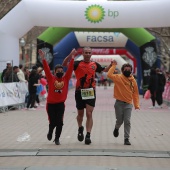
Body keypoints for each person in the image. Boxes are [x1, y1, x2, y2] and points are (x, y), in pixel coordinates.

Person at [62, 47, 112, 145]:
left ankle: (88, 135)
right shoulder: (77, 63)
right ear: (83, 53)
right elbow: (64, 64)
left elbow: (104, 70)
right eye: (86, 52)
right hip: (79, 91)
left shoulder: (94, 64)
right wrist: (70, 55)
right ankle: (80, 128)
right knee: (80, 114)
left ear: (91, 54)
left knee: (89, 113)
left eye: (89, 52)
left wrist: (111, 65)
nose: (88, 54)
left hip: (90, 91)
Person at [39, 48, 76, 145]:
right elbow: (46, 69)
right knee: (53, 122)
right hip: (50, 105)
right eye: (58, 71)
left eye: (61, 71)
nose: (60, 72)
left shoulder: (66, 78)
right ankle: (50, 131)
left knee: (60, 122)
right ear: (55, 72)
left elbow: (71, 68)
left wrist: (72, 58)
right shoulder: (51, 78)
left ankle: (57, 138)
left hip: (60, 105)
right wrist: (43, 58)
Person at [107, 61, 140, 145]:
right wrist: (113, 65)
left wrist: (136, 105)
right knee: (119, 120)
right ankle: (116, 128)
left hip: (129, 104)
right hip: (119, 103)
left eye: (129, 70)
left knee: (127, 121)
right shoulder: (118, 77)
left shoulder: (133, 81)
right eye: (126, 69)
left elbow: (135, 93)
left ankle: (126, 138)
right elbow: (109, 75)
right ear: (122, 70)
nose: (127, 71)